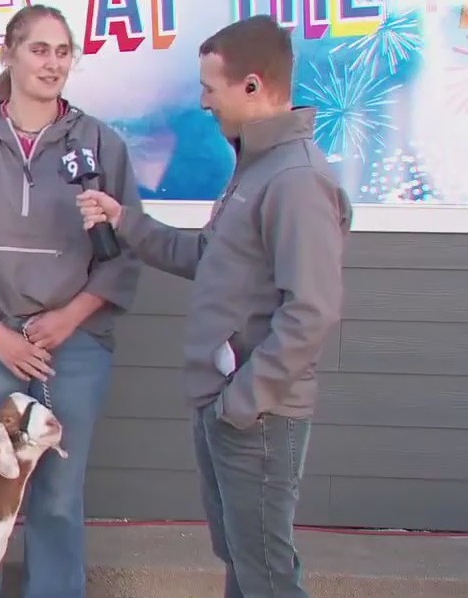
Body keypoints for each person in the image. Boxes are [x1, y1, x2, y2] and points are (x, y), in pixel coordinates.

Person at [78, 15, 352, 598]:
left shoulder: (297, 180)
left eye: (210, 88)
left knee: (267, 575)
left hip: (258, 416)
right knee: (242, 561)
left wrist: (244, 402)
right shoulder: (255, 168)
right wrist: (125, 222)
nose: (203, 102)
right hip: (225, 406)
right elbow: (206, 255)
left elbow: (312, 309)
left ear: (251, 86)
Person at [0, 5, 142, 598]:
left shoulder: (100, 145)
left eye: (62, 51)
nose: (52, 62)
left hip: (72, 348)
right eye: (39, 49)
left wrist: (68, 320)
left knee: (60, 499)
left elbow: (124, 251)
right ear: (9, 54)